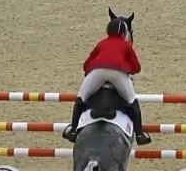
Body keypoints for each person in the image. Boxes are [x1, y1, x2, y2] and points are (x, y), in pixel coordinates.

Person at [62, 12, 152, 145]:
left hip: (98, 71)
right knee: (132, 101)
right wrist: (124, 68)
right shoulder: (126, 45)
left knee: (81, 98)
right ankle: (139, 134)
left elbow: (86, 65)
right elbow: (136, 68)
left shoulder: (101, 43)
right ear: (124, 32)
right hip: (118, 73)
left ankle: (73, 130)